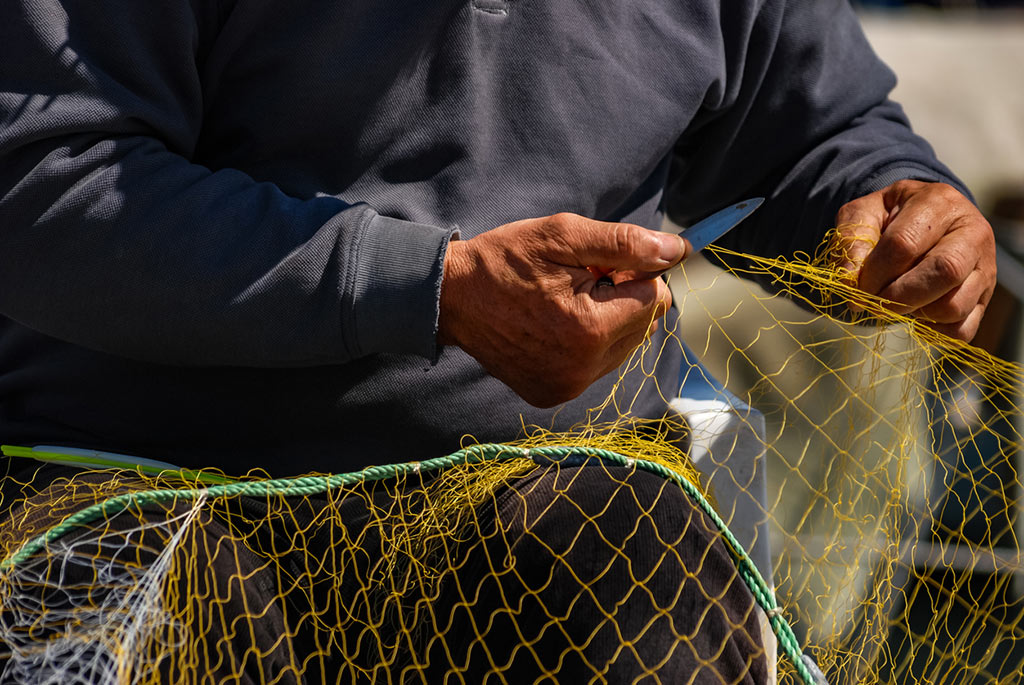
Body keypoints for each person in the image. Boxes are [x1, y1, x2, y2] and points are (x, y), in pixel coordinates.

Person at [0, 0, 996, 682]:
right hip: (139, 478)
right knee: (139, 613)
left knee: (645, 574)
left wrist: (892, 200)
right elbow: (41, 184)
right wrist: (428, 289)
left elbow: (816, 135)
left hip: (559, 479)